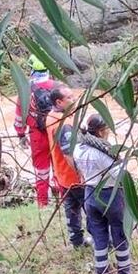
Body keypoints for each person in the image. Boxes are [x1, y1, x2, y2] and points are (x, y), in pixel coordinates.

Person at [74, 115, 132, 274]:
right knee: (119, 235)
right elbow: (119, 174)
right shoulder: (102, 153)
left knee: (99, 237)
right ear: (100, 132)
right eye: (106, 129)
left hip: (90, 194)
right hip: (109, 196)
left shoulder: (78, 148)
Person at [46, 86, 87, 247]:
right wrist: (81, 173)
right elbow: (68, 153)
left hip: (62, 174)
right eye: (69, 97)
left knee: (71, 209)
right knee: (90, 209)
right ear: (59, 102)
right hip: (73, 175)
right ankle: (103, 240)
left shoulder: (51, 117)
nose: (74, 99)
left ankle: (76, 241)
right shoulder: (63, 124)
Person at [14, 55, 56, 207]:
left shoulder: (25, 90)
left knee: (41, 172)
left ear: (31, 69)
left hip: (37, 135)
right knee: (59, 167)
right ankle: (64, 202)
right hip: (56, 132)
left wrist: (21, 134)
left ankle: (43, 204)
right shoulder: (58, 87)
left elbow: (20, 116)